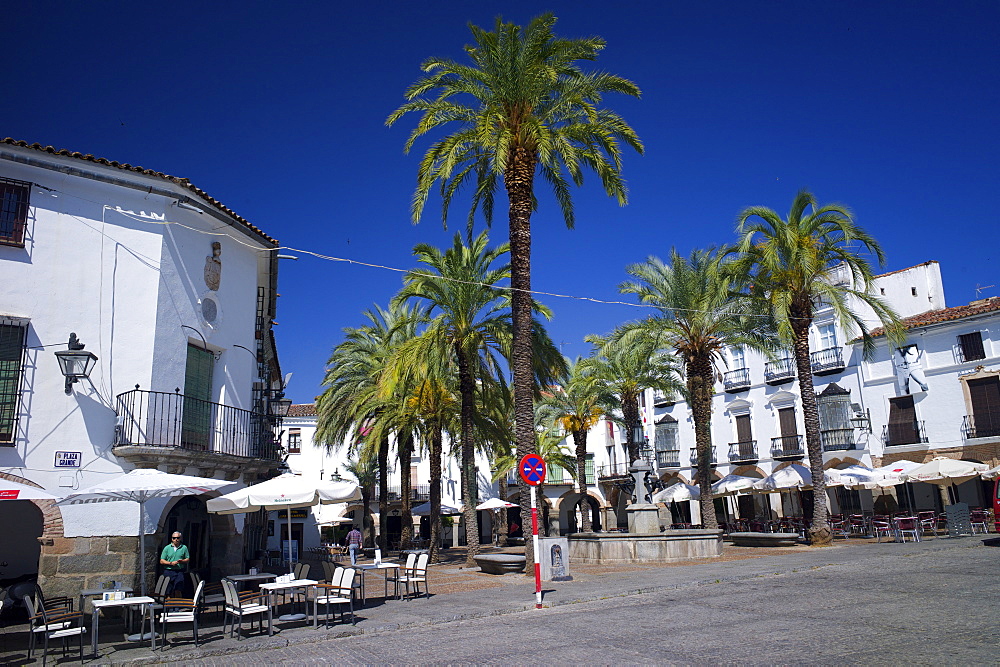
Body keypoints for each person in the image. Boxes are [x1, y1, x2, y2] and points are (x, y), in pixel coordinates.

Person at [159, 532, 189, 596]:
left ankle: (178, 604)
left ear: (180, 538)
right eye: (174, 538)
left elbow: (187, 559)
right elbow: (162, 561)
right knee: (168, 590)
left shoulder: (184, 548)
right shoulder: (167, 548)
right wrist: (170, 563)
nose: (176, 539)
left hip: (179, 571)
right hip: (168, 571)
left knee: (178, 588)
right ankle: (168, 604)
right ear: (172, 539)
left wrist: (182, 561)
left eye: (178, 538)